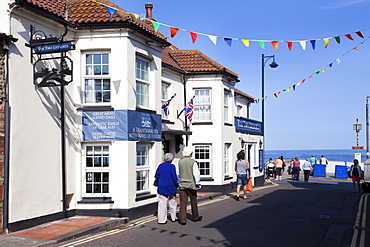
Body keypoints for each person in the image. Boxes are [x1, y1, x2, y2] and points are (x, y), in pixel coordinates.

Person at [178, 147, 202, 225]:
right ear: (191, 154)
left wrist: (178, 182)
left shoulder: (180, 162)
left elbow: (178, 173)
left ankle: (182, 219)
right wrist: (198, 183)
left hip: (182, 184)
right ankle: (195, 217)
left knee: (183, 203)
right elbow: (196, 174)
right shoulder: (193, 162)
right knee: (193, 201)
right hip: (191, 184)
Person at [154, 153, 178, 224]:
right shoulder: (172, 166)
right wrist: (176, 184)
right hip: (171, 186)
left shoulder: (160, 166)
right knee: (172, 201)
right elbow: (174, 177)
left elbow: (156, 175)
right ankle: (173, 217)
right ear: (171, 159)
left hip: (162, 186)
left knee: (162, 202)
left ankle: (161, 220)